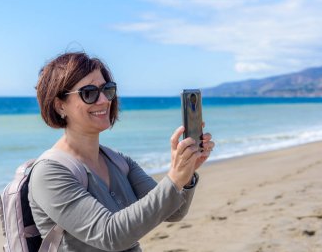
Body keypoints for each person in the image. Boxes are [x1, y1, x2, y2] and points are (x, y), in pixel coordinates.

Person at [29, 52, 215, 252]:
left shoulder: (118, 161)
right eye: (89, 93)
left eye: (107, 90)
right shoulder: (49, 173)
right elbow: (111, 235)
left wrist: (185, 175)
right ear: (59, 105)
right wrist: (174, 178)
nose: (103, 100)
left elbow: (173, 212)